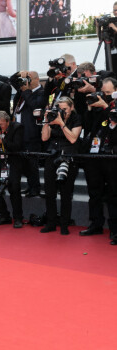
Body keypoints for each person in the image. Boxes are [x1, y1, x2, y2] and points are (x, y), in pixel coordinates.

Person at [80, 77, 117, 245]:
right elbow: (89, 127)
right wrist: (89, 108)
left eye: (108, 93)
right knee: (94, 192)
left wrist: (105, 106)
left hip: (111, 157)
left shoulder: (112, 107)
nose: (105, 95)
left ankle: (115, 230)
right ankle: (95, 224)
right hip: (94, 155)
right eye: (104, 92)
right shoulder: (96, 106)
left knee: (113, 195)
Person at [40, 96, 82, 235]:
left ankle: (64, 225)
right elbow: (45, 138)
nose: (63, 111)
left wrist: (61, 123)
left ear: (71, 107)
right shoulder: (54, 117)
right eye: (60, 109)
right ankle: (51, 223)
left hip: (69, 157)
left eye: (65, 109)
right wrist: (47, 121)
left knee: (65, 193)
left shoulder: (76, 119)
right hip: (52, 156)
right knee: (49, 192)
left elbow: (72, 138)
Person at [0, 111, 24, 228]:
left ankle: (18, 218)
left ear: (8, 122)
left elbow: (16, 146)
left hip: (12, 162)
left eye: (1, 124)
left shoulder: (17, 127)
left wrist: (1, 141)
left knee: (14, 189)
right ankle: (4, 215)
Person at [10, 70, 45, 197]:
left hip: (31, 133)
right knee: (23, 163)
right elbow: (12, 80)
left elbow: (35, 105)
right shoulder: (22, 91)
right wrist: (20, 74)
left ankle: (35, 188)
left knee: (32, 163)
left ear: (36, 79)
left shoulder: (41, 93)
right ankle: (30, 186)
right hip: (18, 133)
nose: (26, 82)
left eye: (29, 78)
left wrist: (26, 91)